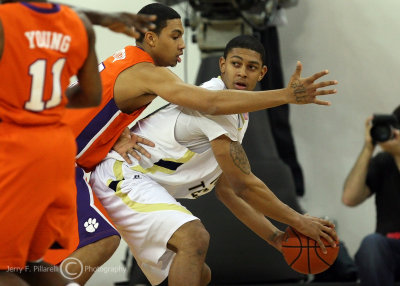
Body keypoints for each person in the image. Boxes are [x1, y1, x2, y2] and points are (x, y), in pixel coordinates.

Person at [43, 3, 339, 284]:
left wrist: (276, 237)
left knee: (198, 274)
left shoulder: (127, 66)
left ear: (262, 73)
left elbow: (226, 190)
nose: (183, 44)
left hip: (77, 164)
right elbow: (241, 181)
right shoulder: (159, 76)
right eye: (175, 36)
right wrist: (286, 96)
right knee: (176, 239)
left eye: (251, 68)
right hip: (90, 170)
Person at [0, 1, 102, 285]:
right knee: (30, 264)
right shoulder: (77, 22)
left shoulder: (4, 21)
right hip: (57, 149)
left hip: (16, 147)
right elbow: (92, 95)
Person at [342, 106, 400, 286]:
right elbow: (349, 198)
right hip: (390, 248)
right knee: (371, 244)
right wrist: (368, 148)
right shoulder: (384, 161)